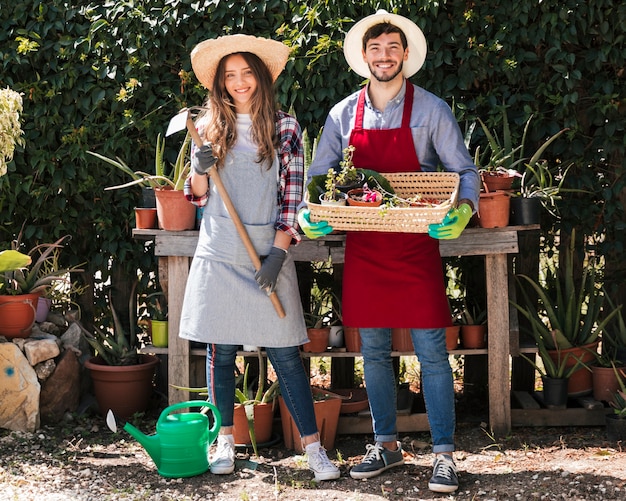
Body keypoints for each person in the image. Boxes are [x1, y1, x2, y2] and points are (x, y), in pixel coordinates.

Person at [298, 11, 481, 493]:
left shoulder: (432, 110)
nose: (384, 56)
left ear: (406, 55)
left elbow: (464, 170)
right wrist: (309, 212)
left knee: (433, 354)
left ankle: (444, 455)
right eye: (375, 48)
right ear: (364, 57)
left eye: (392, 47)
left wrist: (461, 210)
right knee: (374, 354)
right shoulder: (341, 114)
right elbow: (319, 177)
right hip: (365, 247)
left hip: (417, 244)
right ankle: (387, 446)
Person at [179, 34, 340, 482]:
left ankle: (313, 450)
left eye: (246, 73)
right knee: (221, 349)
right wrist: (198, 166)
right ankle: (225, 442)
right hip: (220, 249)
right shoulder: (208, 125)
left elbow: (293, 204)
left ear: (262, 77)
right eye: (229, 76)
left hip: (269, 251)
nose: (239, 83)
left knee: (286, 351)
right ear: (220, 83)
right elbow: (197, 197)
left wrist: (277, 255)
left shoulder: (286, 128)